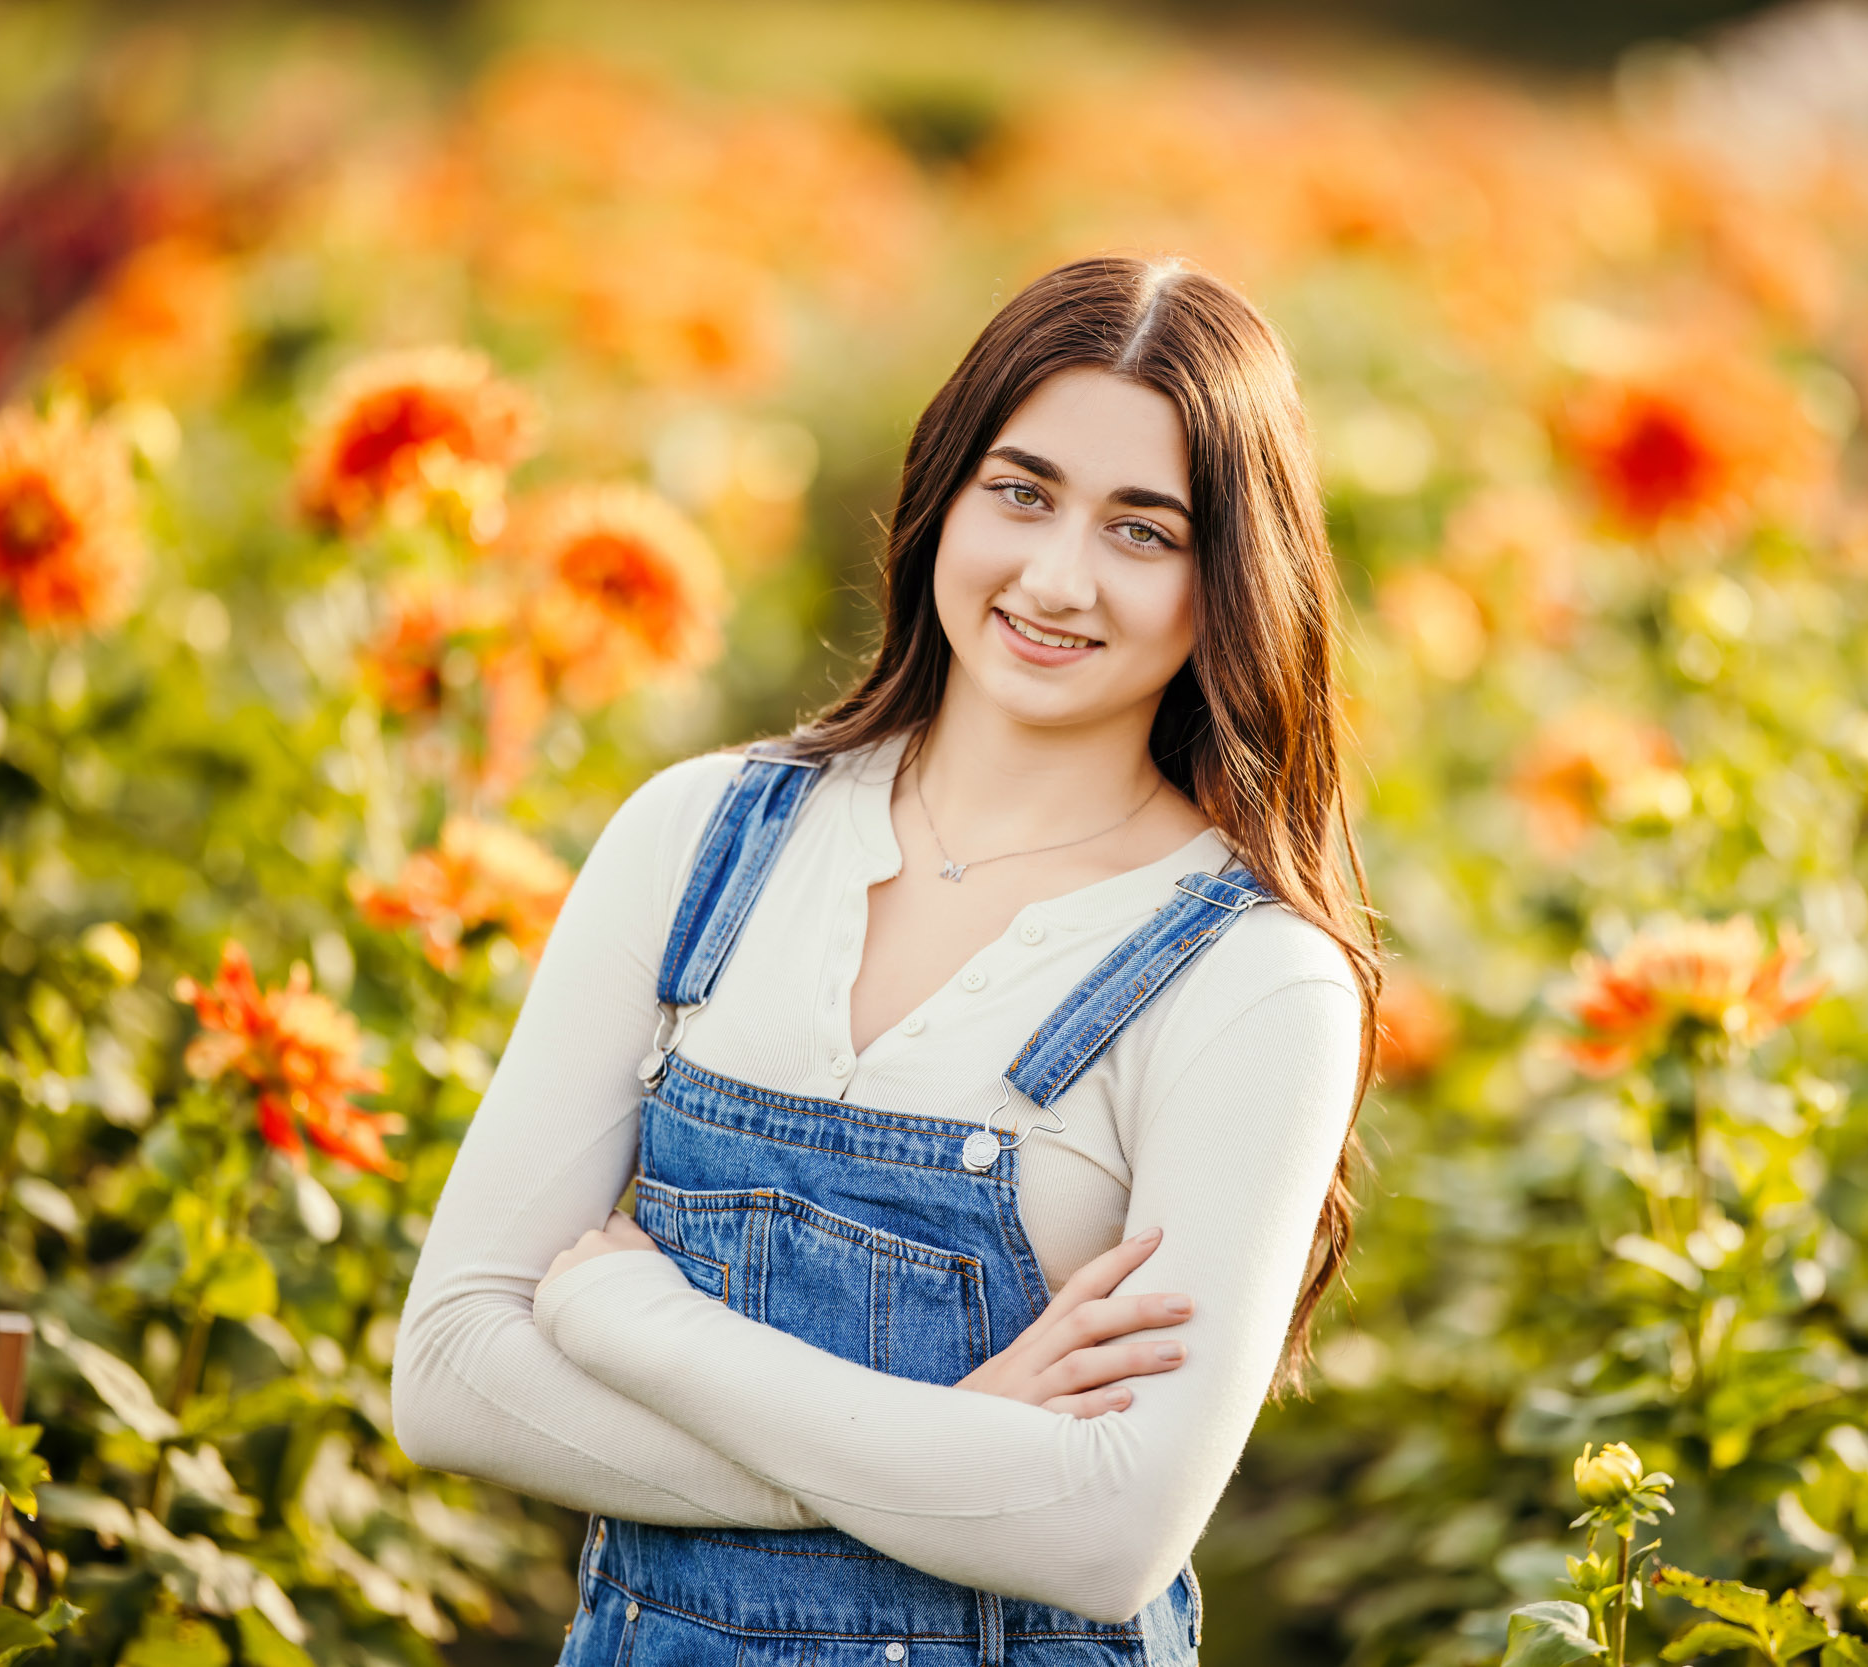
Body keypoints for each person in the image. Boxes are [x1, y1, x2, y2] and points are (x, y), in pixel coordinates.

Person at [391, 252, 1386, 1666]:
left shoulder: (1253, 981)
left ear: (1230, 579)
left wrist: (643, 1329)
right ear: (942, 496)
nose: (1058, 577)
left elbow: (1106, 1538)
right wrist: (968, 1457)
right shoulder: (696, 842)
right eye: (1022, 492)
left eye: (1143, 531)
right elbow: (450, 1376)